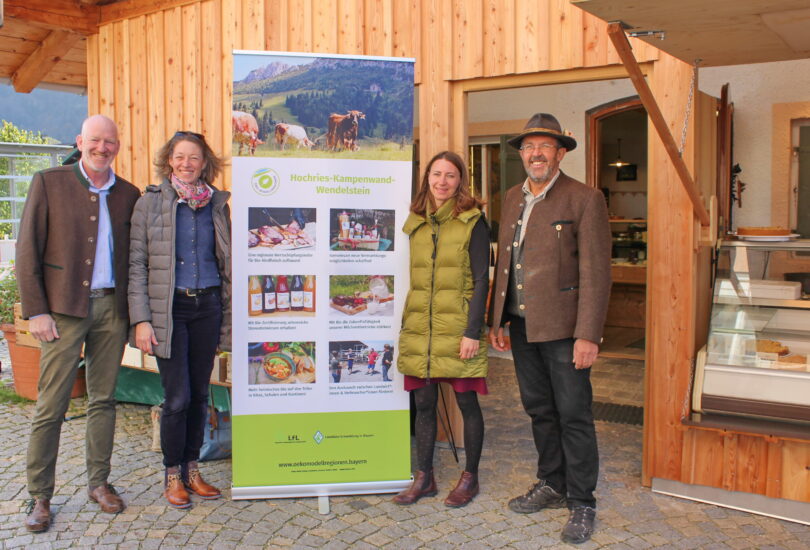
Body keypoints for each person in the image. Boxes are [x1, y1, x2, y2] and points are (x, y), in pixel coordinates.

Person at [488, 113, 611, 544]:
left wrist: (588, 335)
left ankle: (582, 501)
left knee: (573, 414)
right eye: (529, 147)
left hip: (565, 330)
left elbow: (597, 273)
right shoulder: (511, 198)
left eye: (544, 146)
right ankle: (553, 483)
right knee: (539, 410)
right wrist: (498, 319)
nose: (535, 154)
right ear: (522, 154)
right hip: (523, 327)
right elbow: (506, 261)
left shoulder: (585, 198)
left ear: (560, 153)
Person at [16, 115, 141, 532]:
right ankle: (40, 495)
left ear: (117, 146)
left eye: (109, 142)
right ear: (80, 141)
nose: (102, 148)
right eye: (95, 140)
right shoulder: (49, 182)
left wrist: (135, 315)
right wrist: (36, 310)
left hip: (112, 310)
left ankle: (99, 483)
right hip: (63, 311)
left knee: (103, 400)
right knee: (51, 405)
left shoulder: (128, 194)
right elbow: (27, 249)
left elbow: (134, 259)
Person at [128, 131, 232, 509]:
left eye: (194, 157)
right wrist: (141, 320)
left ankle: (192, 470)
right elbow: (136, 265)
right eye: (180, 156)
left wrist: (227, 319)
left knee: (201, 394)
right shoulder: (149, 204)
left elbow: (226, 263)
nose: (186, 163)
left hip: (208, 307)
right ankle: (172, 474)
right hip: (169, 311)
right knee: (178, 397)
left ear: (205, 163)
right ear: (169, 160)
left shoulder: (216, 205)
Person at [395, 151, 490, 508]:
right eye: (436, 174)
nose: (442, 182)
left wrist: (472, 331)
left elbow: (481, 280)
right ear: (427, 178)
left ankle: (470, 478)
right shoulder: (417, 221)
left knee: (466, 401)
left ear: (460, 180)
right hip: (422, 326)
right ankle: (425, 477)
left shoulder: (472, 221)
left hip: (458, 327)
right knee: (423, 402)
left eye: (450, 175)